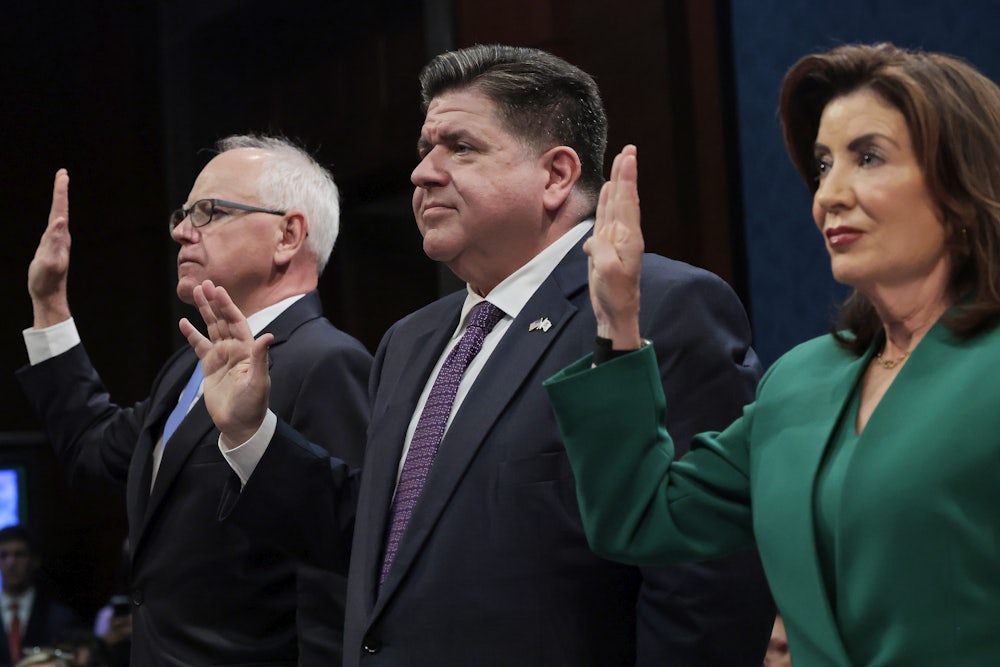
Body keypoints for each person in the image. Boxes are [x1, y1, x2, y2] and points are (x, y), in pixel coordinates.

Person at [183, 45, 774, 665]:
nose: (422, 173)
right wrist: (251, 432)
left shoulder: (658, 307)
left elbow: (705, 580)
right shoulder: (410, 340)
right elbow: (385, 541)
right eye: (424, 150)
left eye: (460, 147)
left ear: (556, 175)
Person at [544, 42, 1000, 665]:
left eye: (867, 157)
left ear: (960, 182)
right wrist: (618, 316)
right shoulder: (802, 380)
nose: (829, 194)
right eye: (821, 166)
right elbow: (642, 518)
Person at [17, 135, 373, 665]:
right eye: (183, 213)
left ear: (288, 235)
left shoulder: (326, 361)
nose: (182, 231)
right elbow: (92, 450)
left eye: (209, 212)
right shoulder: (191, 364)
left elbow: (340, 575)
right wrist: (48, 305)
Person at [0, 527, 80, 667]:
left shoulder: (60, 618)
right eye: (3, 555)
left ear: (35, 560)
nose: (10, 563)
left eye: (19, 555)